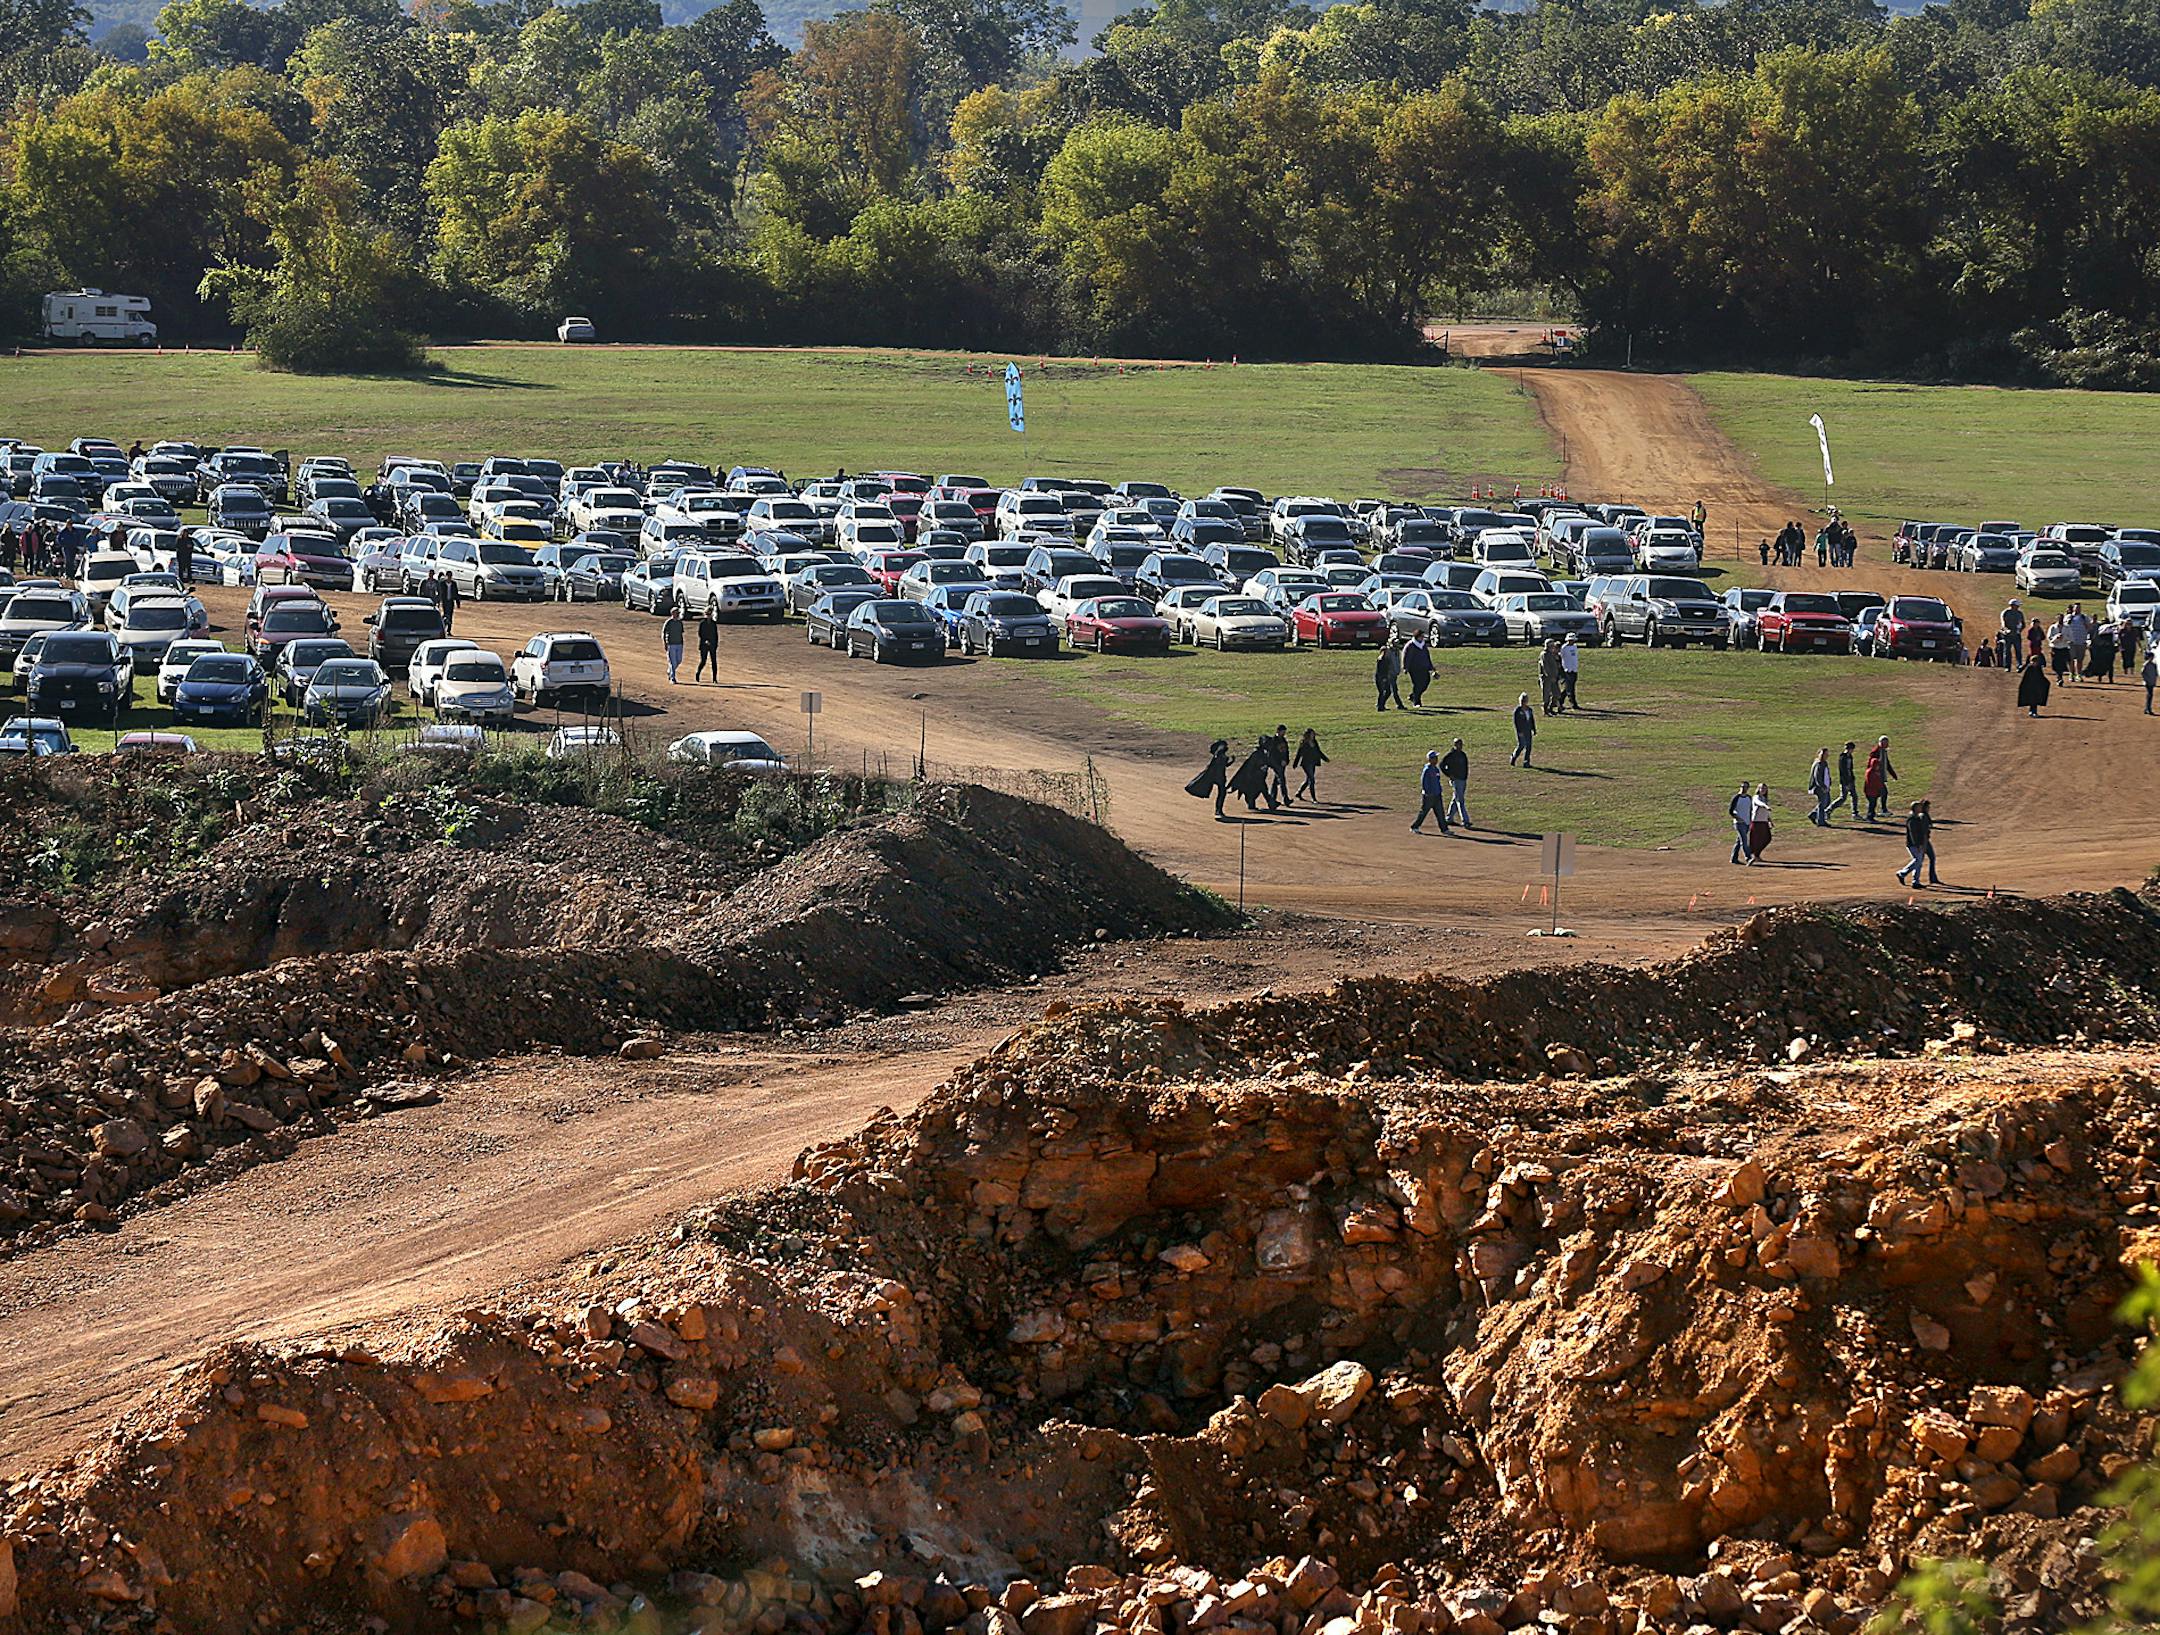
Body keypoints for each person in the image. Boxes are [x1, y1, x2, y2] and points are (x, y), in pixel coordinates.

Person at [1186, 738, 1232, 818]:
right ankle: (1218, 811)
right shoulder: (1219, 754)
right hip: (1218, 776)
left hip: (1219, 776)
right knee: (1222, 793)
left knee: (1222, 793)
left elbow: (1224, 765)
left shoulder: (1221, 755)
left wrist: (1231, 761)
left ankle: (1218, 810)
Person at [1229, 737, 1276, 811]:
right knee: (1259, 790)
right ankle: (1270, 803)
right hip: (1254, 777)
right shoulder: (1256, 754)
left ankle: (1270, 803)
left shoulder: (1265, 753)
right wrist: (1250, 776)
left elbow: (1270, 763)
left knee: (1261, 790)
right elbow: (1250, 766)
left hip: (1260, 777)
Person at [1411, 749, 1451, 833]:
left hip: (1437, 794)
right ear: (1430, 759)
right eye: (1435, 758)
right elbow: (1424, 782)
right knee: (1424, 812)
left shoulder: (1435, 769)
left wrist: (1439, 790)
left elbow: (1438, 780)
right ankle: (1415, 826)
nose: (1436, 759)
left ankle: (1444, 829)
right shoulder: (1427, 769)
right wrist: (1427, 792)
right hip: (1429, 796)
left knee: (1440, 813)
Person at [1896, 801, 1933, 888]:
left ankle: (1914, 880)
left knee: (1918, 861)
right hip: (1913, 844)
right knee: (1918, 861)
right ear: (1915, 808)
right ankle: (1904, 874)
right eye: (1919, 807)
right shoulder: (1912, 819)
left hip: (1916, 843)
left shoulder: (1916, 818)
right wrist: (1918, 844)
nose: (1921, 808)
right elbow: (1913, 833)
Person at [1863, 736, 1896, 821]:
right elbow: (1872, 764)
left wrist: (1893, 774)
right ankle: (1876, 812)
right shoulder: (1876, 752)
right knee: (1879, 794)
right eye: (1885, 743)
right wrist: (1874, 772)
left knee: (1881, 794)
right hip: (1876, 777)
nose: (1887, 745)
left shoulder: (1884, 751)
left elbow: (1887, 763)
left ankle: (1876, 812)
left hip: (1879, 776)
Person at [1440, 737, 1470, 827]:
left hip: (1463, 779)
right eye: (1458, 744)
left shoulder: (1463, 755)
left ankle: (1449, 818)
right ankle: (1465, 820)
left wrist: (1465, 777)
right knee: (1460, 800)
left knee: (1456, 798)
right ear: (1455, 745)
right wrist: (1449, 775)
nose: (1460, 746)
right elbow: (1442, 765)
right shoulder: (1451, 755)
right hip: (1456, 780)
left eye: (1461, 744)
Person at [1293, 728, 1327, 801]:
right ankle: (1313, 798)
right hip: (1306, 764)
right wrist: (1295, 763)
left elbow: (1318, 752)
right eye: (1312, 734)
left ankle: (1299, 793)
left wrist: (1325, 758)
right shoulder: (1304, 743)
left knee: (1308, 780)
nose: (1313, 735)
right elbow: (1299, 754)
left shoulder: (1314, 742)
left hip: (1313, 762)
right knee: (1312, 780)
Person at [1826, 740, 1857, 821]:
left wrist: (1852, 778)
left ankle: (1855, 813)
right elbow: (1842, 771)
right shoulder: (1843, 757)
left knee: (1854, 796)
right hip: (1845, 781)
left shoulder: (1850, 757)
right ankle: (1828, 810)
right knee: (1842, 798)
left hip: (1850, 780)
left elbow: (1850, 769)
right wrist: (1846, 782)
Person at [1402, 632, 1433, 706]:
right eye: (1421, 636)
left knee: (1426, 682)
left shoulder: (1423, 645)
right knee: (1417, 684)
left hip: (1424, 667)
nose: (1422, 638)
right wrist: (1405, 667)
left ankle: (1413, 696)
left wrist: (1431, 667)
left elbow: (1427, 656)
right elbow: (1406, 656)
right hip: (1414, 668)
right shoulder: (1410, 645)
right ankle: (1417, 702)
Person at [1374, 641, 1405, 711]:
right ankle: (1398, 705)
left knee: (1388, 691)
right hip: (1387, 675)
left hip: (1393, 674)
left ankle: (1381, 705)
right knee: (1389, 691)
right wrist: (1384, 677)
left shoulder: (1397, 652)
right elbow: (1383, 667)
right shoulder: (1386, 655)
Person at [1730, 781, 1755, 864]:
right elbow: (1731, 811)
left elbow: (1750, 810)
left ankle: (1733, 858)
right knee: (1744, 840)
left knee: (1739, 841)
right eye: (1742, 786)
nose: (1744, 788)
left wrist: (1751, 820)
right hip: (1739, 823)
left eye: (1746, 787)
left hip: (1747, 822)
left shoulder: (1749, 798)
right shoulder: (1736, 798)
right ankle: (1748, 858)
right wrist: (1737, 818)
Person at [1747, 784, 1773, 864]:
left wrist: (1770, 820)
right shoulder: (1756, 797)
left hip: (1764, 821)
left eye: (1765, 788)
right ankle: (1752, 856)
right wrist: (1766, 806)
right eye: (1762, 788)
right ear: (1758, 789)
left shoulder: (1765, 798)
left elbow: (1766, 812)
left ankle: (1756, 854)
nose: (1763, 790)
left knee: (1767, 838)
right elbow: (1759, 803)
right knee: (1755, 840)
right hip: (1756, 821)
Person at [1267, 724, 1292, 805]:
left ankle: (1272, 797)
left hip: (1282, 764)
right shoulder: (1273, 740)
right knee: (1282, 781)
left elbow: (1286, 752)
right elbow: (1272, 754)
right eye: (1282, 732)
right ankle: (1286, 799)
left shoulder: (1284, 740)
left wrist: (1286, 760)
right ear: (1278, 731)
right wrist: (1277, 763)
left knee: (1276, 782)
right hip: (1277, 764)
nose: (1284, 733)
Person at [1807, 748, 1833, 826]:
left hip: (1825, 786)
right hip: (1820, 787)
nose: (1827, 756)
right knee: (1823, 803)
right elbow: (1817, 777)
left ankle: (1813, 815)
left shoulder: (1824, 763)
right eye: (1825, 754)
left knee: (1827, 802)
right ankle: (1821, 821)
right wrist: (1822, 786)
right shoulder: (1819, 764)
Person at [1510, 693, 1537, 767]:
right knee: (1521, 745)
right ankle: (1513, 757)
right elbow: (1516, 722)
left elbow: (1532, 720)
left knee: (1529, 746)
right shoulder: (1517, 711)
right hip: (1521, 731)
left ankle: (1526, 762)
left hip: (1528, 730)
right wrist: (1519, 732)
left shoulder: (1529, 710)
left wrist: (1534, 729)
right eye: (1522, 701)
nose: (1523, 703)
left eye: (1525, 701)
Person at [1999, 599, 2025, 670]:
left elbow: (2023, 624)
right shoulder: (2006, 612)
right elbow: (2003, 623)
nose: (2018, 607)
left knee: (2018, 650)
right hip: (2007, 635)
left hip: (2016, 635)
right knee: (2007, 651)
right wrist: (2006, 630)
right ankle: (2007, 666)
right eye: (2017, 606)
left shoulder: (2020, 613)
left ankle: (2019, 665)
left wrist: (2019, 630)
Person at [1539, 638, 1562, 714]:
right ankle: (1545, 710)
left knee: (1557, 694)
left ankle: (1551, 707)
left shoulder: (1552, 654)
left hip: (1554, 677)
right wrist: (1549, 676)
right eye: (1552, 645)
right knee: (1546, 694)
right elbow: (1545, 666)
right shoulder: (1544, 654)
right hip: (1547, 678)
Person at [2091, 617, 2117, 684]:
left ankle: (2109, 678)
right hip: (2103, 648)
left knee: (2109, 664)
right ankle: (2102, 677)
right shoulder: (2102, 628)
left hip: (2107, 648)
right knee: (2104, 664)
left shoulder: (2110, 629)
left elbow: (2114, 638)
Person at [695, 610, 720, 682]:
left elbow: (715, 634)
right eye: (707, 614)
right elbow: (700, 634)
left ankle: (714, 678)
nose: (708, 616)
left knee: (714, 662)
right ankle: (698, 673)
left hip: (712, 645)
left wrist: (715, 644)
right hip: (704, 645)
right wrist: (705, 640)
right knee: (703, 661)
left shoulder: (713, 623)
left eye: (709, 614)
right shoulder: (702, 623)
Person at [1559, 634, 1581, 710]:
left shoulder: (1575, 647)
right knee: (1569, 688)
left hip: (1574, 669)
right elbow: (1561, 658)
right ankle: (1573, 703)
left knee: (1570, 687)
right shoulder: (1564, 648)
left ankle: (1560, 700)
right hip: (1567, 670)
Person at [662, 609, 685, 683]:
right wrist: (665, 643)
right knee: (672, 662)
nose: (678, 614)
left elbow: (681, 633)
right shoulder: (669, 622)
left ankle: (670, 671)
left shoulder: (679, 622)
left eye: (678, 613)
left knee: (679, 660)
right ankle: (672, 678)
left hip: (679, 644)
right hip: (671, 644)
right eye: (676, 613)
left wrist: (682, 643)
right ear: (672, 613)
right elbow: (663, 632)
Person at [2144, 645, 2158, 716]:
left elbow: (2155, 674)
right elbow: (2143, 673)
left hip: (2151, 682)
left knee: (2150, 695)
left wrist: (2154, 681)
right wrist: (2146, 680)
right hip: (2148, 682)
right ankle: (2148, 708)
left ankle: (2147, 708)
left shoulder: (2153, 664)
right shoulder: (2146, 664)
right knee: (2150, 695)